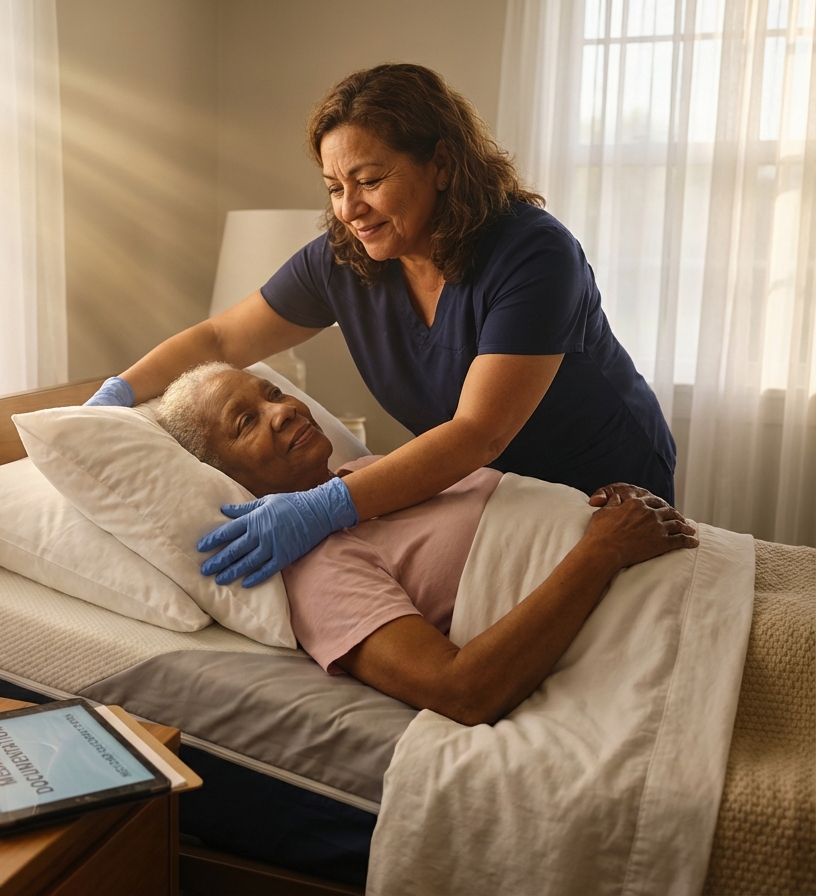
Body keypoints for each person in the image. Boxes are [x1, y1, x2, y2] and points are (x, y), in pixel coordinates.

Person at [86, 63, 677, 591]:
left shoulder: (532, 254)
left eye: (369, 181)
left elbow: (478, 432)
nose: (348, 208)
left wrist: (323, 506)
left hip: (603, 483)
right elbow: (220, 340)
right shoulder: (343, 259)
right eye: (334, 188)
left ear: (442, 165)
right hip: (492, 497)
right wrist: (115, 395)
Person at [155, 363, 697, 725]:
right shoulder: (318, 567)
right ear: (222, 474)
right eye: (246, 421)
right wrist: (601, 550)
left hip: (679, 572)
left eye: (272, 392)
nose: (284, 409)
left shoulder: (372, 473)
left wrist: (600, 511)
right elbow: (460, 690)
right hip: (660, 629)